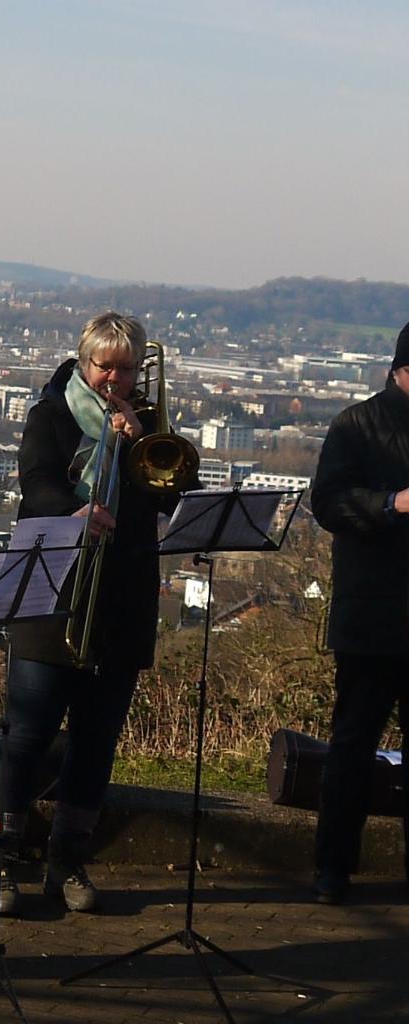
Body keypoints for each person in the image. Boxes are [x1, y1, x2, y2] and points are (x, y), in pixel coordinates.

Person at [0, 311, 195, 916]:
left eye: (127, 370)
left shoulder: (146, 425)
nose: (116, 380)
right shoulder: (52, 414)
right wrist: (71, 514)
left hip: (121, 597)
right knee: (26, 732)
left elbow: (170, 490)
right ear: (83, 361)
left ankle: (67, 862)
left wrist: (133, 447)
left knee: (97, 741)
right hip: (54, 590)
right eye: (105, 367)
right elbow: (36, 483)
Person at [310, 323, 409, 905]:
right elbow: (327, 503)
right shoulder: (356, 424)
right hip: (372, 617)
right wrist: (393, 505)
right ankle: (332, 869)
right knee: (352, 746)